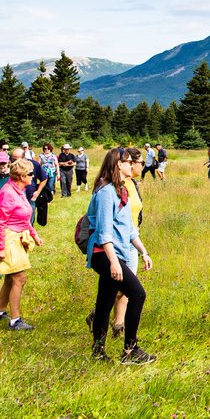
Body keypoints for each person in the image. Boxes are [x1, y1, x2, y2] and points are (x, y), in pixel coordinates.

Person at [85, 147, 156, 364]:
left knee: (105, 302)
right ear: (119, 164)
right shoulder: (106, 192)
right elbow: (104, 233)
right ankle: (130, 351)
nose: (131, 164)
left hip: (116, 254)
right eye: (127, 161)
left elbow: (128, 229)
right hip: (104, 254)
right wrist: (114, 262)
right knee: (138, 294)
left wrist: (143, 251)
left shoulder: (121, 189)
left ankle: (98, 353)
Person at [0, 156, 44, 330]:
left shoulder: (19, 190)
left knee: (10, 277)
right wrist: (0, 247)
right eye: (30, 173)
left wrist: (34, 234)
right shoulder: (8, 192)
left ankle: (0, 312)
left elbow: (24, 218)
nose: (33, 176)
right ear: (21, 175)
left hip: (17, 236)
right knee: (19, 278)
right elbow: (0, 221)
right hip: (8, 238)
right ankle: (15, 320)